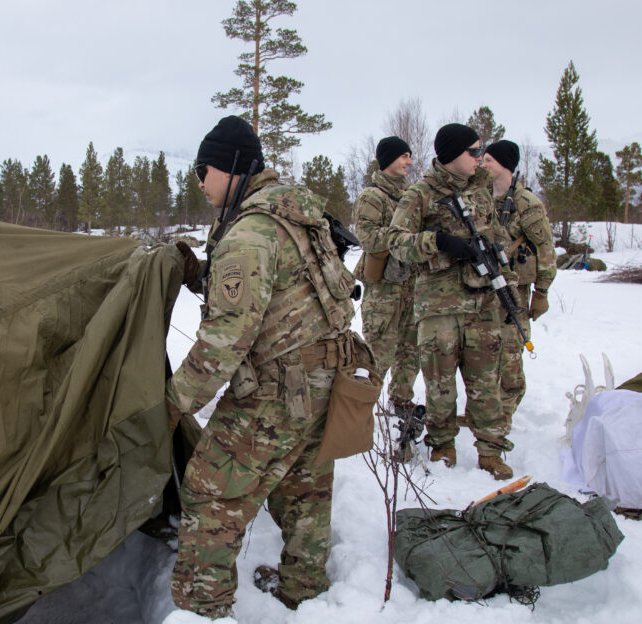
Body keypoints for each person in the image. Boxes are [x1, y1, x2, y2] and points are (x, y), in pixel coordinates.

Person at [165, 115, 361, 617]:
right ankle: (304, 588)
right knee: (305, 491)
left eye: (202, 170)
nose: (200, 181)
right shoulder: (294, 215)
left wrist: (174, 403)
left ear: (230, 167)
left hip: (276, 392)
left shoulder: (249, 234)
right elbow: (281, 295)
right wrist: (204, 276)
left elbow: (224, 341)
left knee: (210, 495)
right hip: (325, 383)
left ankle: (200, 608)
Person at [385, 123, 516, 480]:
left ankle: (491, 450)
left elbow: (495, 232)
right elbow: (395, 242)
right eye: (473, 152)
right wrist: (439, 242)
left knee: (487, 382)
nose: (479, 158)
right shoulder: (421, 194)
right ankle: (442, 444)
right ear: (452, 155)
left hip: (482, 303)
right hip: (438, 308)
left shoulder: (483, 191)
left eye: (480, 152)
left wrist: (495, 248)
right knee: (440, 386)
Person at [481, 140, 556, 421]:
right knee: (485, 353)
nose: (483, 164)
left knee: (511, 351)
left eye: (488, 160)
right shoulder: (483, 198)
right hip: (484, 290)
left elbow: (545, 249)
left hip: (515, 291)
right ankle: (486, 411)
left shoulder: (526, 203)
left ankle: (505, 412)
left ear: (504, 164)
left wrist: (542, 292)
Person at [353, 136, 422, 420]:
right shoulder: (373, 196)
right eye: (403, 156)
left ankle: (402, 400)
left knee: (411, 348)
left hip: (411, 284)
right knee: (379, 349)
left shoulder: (413, 193)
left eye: (409, 156)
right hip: (384, 288)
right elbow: (366, 236)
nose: (408, 162)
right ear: (388, 160)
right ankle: (358, 406)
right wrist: (404, 239)